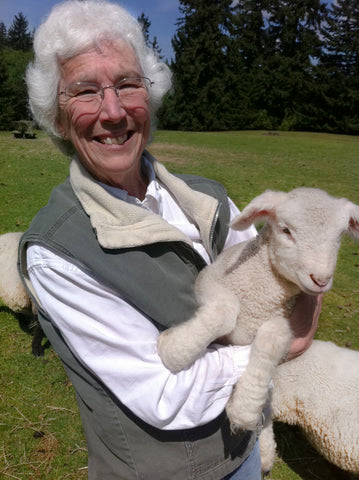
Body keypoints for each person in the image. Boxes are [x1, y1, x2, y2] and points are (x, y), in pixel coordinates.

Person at [18, 1, 321, 479]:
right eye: (85, 92)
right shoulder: (57, 253)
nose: (113, 112)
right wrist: (279, 345)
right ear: (58, 118)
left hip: (244, 451)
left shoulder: (208, 197)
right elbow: (164, 395)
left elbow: (282, 280)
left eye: (127, 84)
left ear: (150, 96)